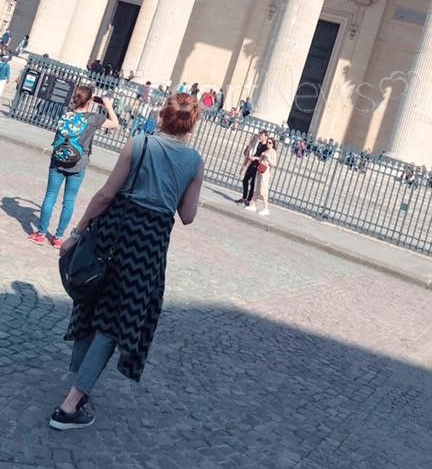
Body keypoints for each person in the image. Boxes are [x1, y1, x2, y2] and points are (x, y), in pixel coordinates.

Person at [49, 93, 204, 431]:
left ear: (161, 116)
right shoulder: (194, 161)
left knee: (91, 300)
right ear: (192, 126)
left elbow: (106, 195)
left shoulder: (139, 144)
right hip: (147, 246)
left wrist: (76, 232)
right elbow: (188, 215)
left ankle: (78, 383)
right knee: (116, 321)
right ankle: (71, 404)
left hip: (114, 230)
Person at [28, 87, 119, 249]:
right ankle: (58, 237)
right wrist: (108, 106)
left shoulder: (65, 114)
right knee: (69, 200)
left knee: (50, 196)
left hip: (58, 160)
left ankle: (41, 234)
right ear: (89, 101)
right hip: (78, 163)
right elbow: (115, 124)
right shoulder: (93, 118)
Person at [237, 129, 268, 208]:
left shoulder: (266, 147)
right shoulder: (259, 144)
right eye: (260, 135)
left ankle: (248, 200)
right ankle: (244, 197)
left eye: (262, 136)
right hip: (252, 163)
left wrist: (255, 158)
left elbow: (263, 158)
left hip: (258, 165)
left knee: (252, 183)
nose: (260, 137)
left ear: (266, 137)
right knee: (245, 180)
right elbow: (255, 153)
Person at [254, 136, 278, 216]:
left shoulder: (273, 152)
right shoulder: (266, 150)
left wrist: (268, 158)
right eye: (267, 142)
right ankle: (253, 204)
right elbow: (260, 160)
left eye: (270, 143)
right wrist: (261, 156)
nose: (268, 144)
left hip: (266, 171)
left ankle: (266, 208)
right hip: (261, 169)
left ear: (273, 144)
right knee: (257, 188)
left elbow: (274, 164)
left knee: (263, 190)